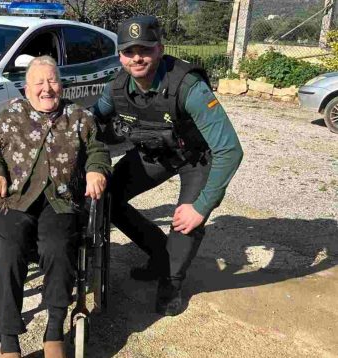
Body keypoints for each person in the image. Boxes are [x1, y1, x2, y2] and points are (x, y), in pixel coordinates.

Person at [92, 16, 243, 316]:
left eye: (145, 49)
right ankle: (161, 256)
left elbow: (229, 150)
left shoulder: (188, 87)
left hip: (195, 158)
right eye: (129, 51)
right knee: (108, 198)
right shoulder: (117, 88)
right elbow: (90, 123)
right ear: (120, 55)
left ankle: (171, 282)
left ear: (159, 49)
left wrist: (201, 207)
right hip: (155, 153)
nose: (137, 58)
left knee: (187, 220)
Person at [0, 56, 112, 358]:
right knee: (10, 250)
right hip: (15, 199)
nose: (46, 89)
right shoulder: (12, 114)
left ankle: (54, 329)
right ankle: (8, 337)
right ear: (26, 89)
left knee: (58, 246)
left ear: (61, 85)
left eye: (52, 81)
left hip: (60, 200)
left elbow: (98, 149)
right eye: (39, 83)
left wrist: (96, 169)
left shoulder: (78, 116)